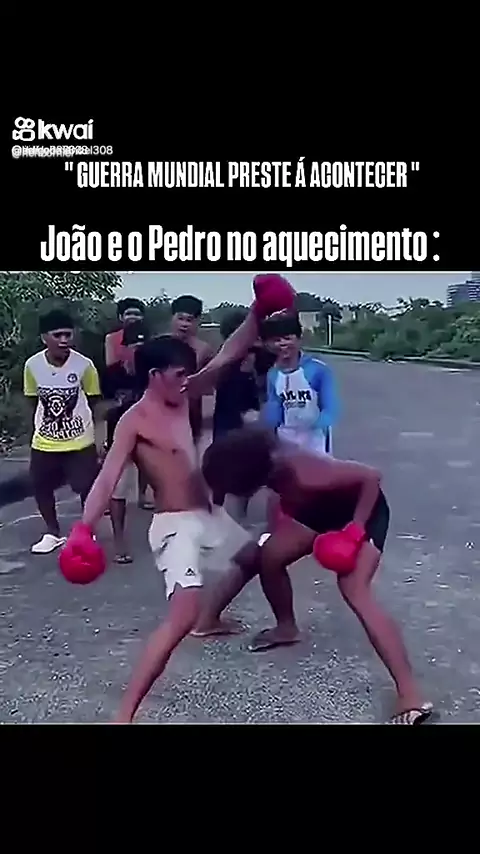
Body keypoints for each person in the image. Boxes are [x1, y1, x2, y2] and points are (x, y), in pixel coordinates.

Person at [59, 274, 296, 723]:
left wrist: (257, 311)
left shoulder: (182, 393)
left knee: (259, 556)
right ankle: (124, 715)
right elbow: (108, 478)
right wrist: (82, 529)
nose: (188, 381)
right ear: (155, 376)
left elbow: (227, 356)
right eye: (180, 374)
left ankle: (243, 622)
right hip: (175, 527)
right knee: (179, 619)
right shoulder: (135, 421)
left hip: (208, 514)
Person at [198, 426, 433, 725]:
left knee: (354, 590)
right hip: (315, 511)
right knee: (270, 556)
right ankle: (286, 628)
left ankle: (410, 694)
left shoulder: (306, 472)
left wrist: (355, 530)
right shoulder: (266, 466)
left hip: (359, 512)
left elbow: (371, 477)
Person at [23, 309, 101, 554]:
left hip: (80, 441)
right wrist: (39, 430)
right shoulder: (32, 365)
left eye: (68, 334)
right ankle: (52, 533)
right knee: (41, 486)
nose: (64, 340)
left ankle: (87, 531)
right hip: (45, 442)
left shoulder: (84, 365)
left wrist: (97, 437)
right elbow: (32, 400)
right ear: (44, 337)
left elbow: (94, 401)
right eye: (58, 335)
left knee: (86, 486)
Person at [260, 311, 339, 455]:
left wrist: (318, 426)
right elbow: (274, 411)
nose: (282, 344)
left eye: (287, 338)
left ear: (298, 339)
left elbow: (330, 407)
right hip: (285, 441)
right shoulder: (273, 374)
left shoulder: (318, 369)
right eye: (276, 340)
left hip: (315, 441)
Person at [211, 308, 260, 521]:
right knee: (221, 468)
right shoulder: (223, 357)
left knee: (247, 470)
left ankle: (240, 515)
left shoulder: (257, 356)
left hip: (248, 417)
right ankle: (217, 511)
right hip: (226, 417)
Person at [104, 299, 152, 510]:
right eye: (129, 313)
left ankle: (142, 494)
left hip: (143, 401)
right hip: (122, 394)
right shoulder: (112, 339)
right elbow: (111, 370)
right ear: (120, 317)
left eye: (137, 313)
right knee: (115, 457)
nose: (133, 317)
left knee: (146, 455)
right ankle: (110, 498)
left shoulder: (149, 339)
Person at [169, 295, 215, 448]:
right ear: (172, 318)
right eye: (180, 318)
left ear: (197, 322)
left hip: (191, 413)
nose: (184, 324)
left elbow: (209, 385)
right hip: (161, 412)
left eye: (189, 320)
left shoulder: (204, 349)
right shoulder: (158, 345)